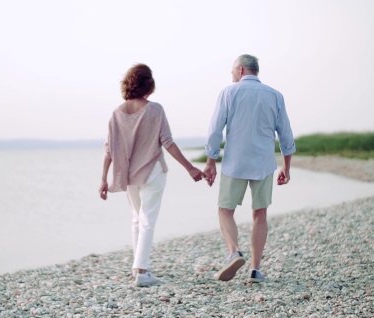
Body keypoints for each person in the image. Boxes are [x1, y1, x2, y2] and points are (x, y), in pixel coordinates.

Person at [99, 63, 205, 287]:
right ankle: (142, 271)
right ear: (149, 84)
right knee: (147, 221)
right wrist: (190, 168)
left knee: (137, 220)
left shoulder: (116, 113)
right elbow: (167, 142)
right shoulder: (155, 109)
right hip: (151, 172)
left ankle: (137, 268)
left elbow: (108, 149)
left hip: (129, 175)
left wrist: (103, 179)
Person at [203, 54, 296, 283]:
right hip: (263, 164)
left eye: (233, 72)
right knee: (260, 214)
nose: (232, 76)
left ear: (241, 69)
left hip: (235, 162)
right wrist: (286, 166)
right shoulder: (275, 95)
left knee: (225, 210)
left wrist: (210, 162)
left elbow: (215, 130)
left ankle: (234, 251)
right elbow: (286, 134)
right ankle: (255, 270)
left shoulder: (228, 93)